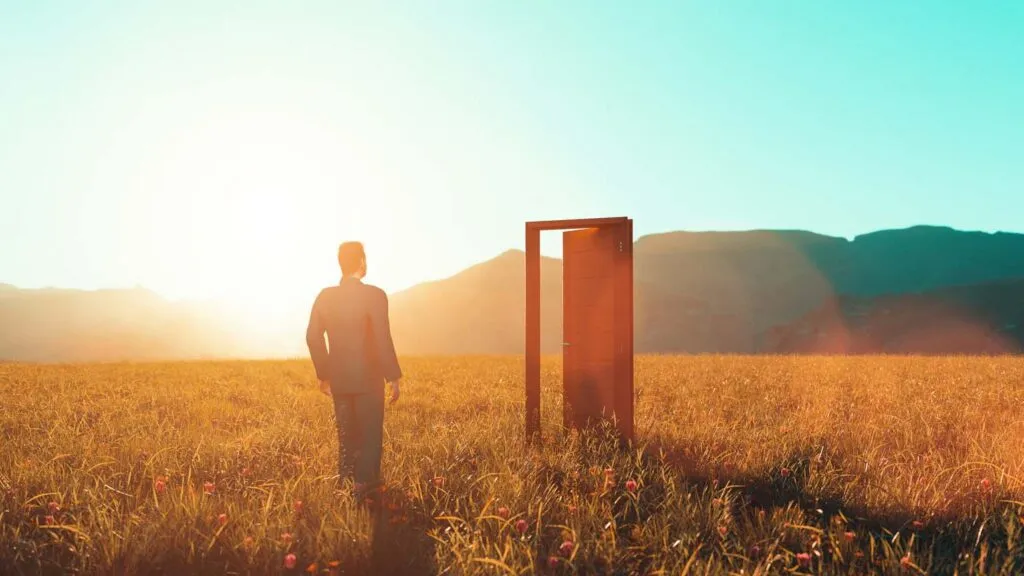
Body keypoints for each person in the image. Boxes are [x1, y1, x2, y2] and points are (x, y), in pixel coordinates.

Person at [306, 241, 402, 500]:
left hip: (339, 380)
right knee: (370, 434)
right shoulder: (375, 295)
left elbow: (313, 337)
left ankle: (347, 489)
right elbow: (383, 338)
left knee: (347, 436)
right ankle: (366, 490)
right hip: (369, 380)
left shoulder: (325, 296)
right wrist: (393, 376)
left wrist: (324, 374)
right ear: (361, 261)